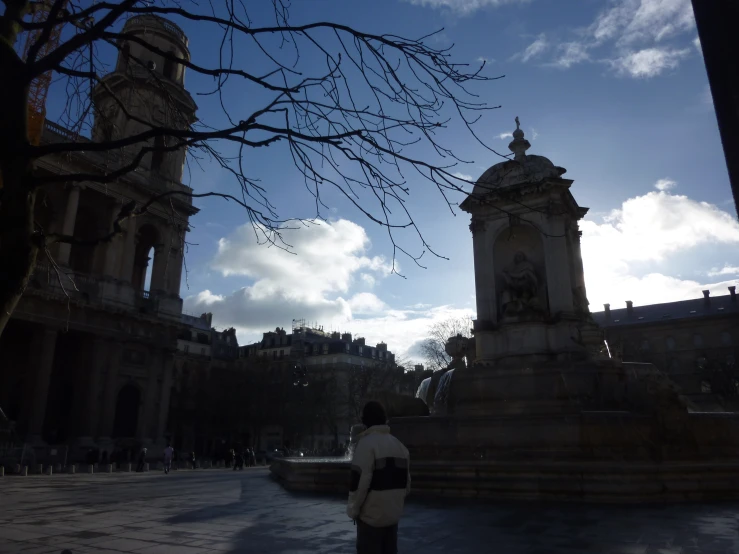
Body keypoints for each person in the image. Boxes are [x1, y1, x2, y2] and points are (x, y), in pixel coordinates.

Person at [347, 401, 410, 554]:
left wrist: (353, 511)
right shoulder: (400, 446)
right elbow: (406, 485)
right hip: (393, 517)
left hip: (371, 518)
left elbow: (359, 483)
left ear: (365, 421)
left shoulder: (366, 444)